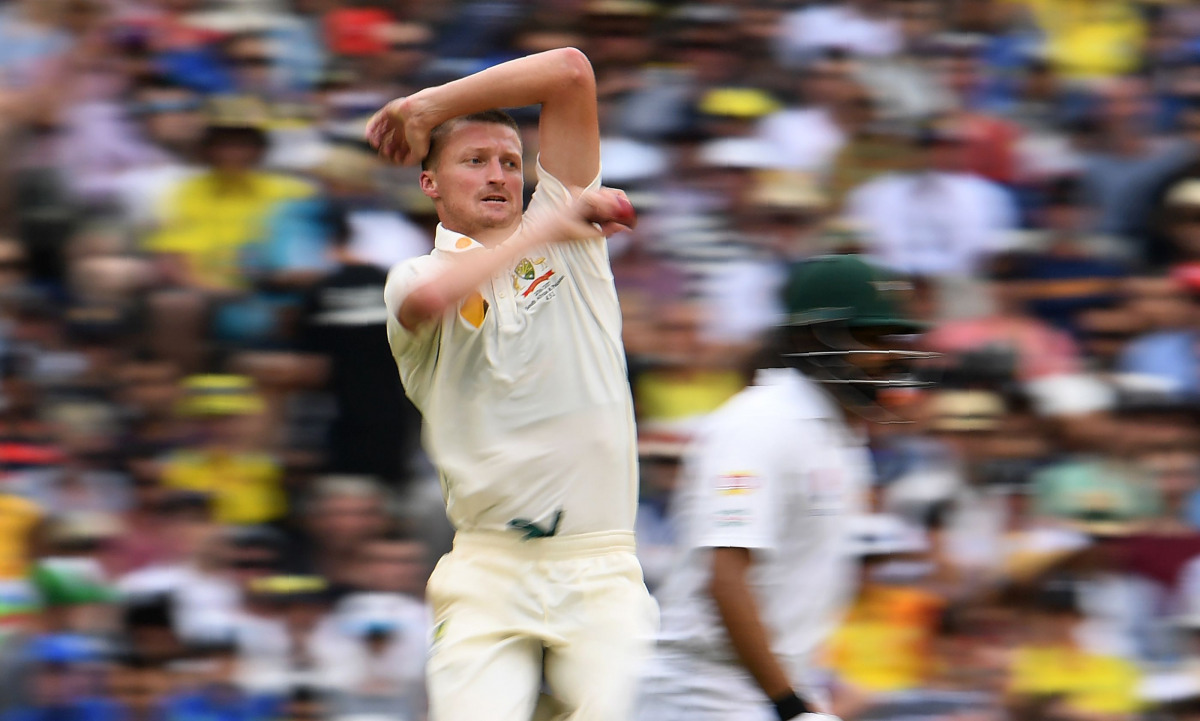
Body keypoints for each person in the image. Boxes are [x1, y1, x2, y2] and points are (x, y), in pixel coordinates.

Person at [365, 47, 657, 721]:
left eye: (510, 161)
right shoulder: (416, 274)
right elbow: (431, 301)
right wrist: (554, 225)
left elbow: (572, 72)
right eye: (474, 161)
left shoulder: (565, 232)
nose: (498, 175)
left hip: (601, 565)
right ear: (430, 182)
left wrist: (428, 106)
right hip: (488, 570)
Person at [635, 254, 931, 721]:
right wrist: (789, 705)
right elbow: (725, 576)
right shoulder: (762, 424)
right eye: (872, 339)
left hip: (776, 685)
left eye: (894, 339)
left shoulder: (838, 434)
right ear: (813, 338)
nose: (891, 356)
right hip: (705, 693)